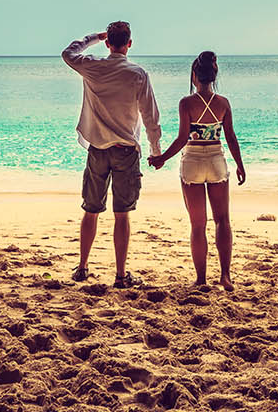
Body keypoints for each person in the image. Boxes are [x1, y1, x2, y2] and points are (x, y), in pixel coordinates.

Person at [61, 21, 162, 288]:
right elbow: (150, 117)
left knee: (91, 210)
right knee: (122, 214)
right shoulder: (137, 73)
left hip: (97, 149)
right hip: (125, 151)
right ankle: (120, 275)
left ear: (108, 43)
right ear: (130, 43)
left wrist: (93, 36)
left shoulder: (93, 66)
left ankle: (82, 267)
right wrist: (156, 151)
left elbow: (68, 53)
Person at [149, 50, 246, 290]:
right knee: (222, 220)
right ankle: (225, 276)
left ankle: (201, 279)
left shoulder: (186, 103)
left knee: (198, 225)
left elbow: (183, 138)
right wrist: (240, 165)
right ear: (214, 75)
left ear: (194, 76)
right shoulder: (223, 103)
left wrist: (162, 158)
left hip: (192, 162)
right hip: (216, 161)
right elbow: (231, 138)